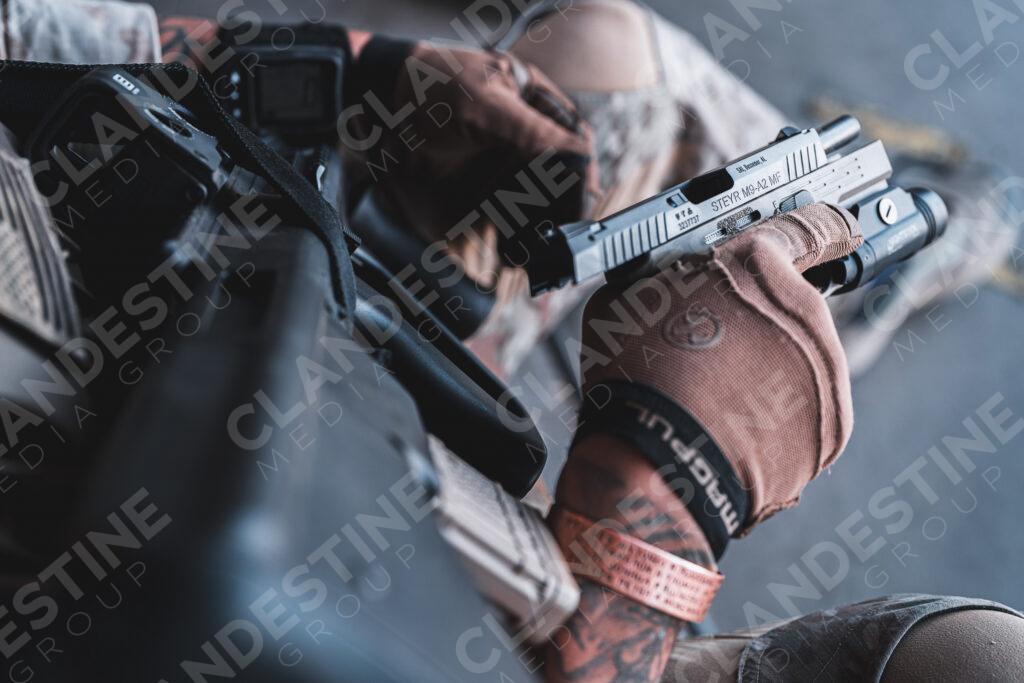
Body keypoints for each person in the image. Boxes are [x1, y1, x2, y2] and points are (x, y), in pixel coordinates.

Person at [1, 0, 1022, 681]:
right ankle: (889, 264)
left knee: (606, 55)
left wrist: (361, 74)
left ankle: (875, 240)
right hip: (461, 590)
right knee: (982, 663)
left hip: (318, 306)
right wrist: (671, 504)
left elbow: (40, 35)